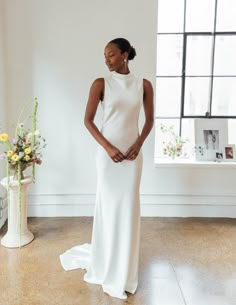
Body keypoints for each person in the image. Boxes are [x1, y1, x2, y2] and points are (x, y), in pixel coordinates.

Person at [60, 38, 154, 299]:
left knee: (129, 208)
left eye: (111, 55)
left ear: (125, 55)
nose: (107, 60)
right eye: (105, 56)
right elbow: (88, 121)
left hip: (133, 157)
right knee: (109, 207)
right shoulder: (101, 84)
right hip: (108, 157)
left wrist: (138, 143)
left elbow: (149, 120)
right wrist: (108, 148)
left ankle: (125, 269)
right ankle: (105, 262)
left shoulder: (143, 85)